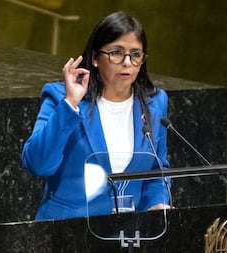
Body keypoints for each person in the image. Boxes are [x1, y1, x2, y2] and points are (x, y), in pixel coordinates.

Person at [22, 11, 171, 220]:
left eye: (136, 54)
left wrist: (157, 204)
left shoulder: (155, 103)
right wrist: (70, 104)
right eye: (116, 52)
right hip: (66, 232)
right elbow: (38, 163)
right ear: (94, 58)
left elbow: (157, 170)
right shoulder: (60, 96)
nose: (127, 62)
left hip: (127, 237)